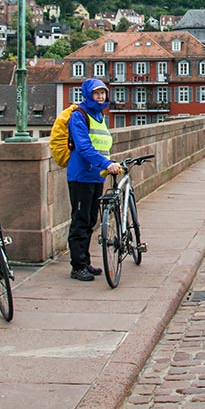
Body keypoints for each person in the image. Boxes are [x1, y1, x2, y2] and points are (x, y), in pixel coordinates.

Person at [60, 78, 123, 281]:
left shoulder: (99, 116)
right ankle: (77, 266)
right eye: (96, 93)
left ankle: (85, 262)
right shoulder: (79, 116)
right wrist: (106, 164)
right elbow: (84, 146)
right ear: (88, 94)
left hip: (96, 176)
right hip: (80, 176)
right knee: (80, 220)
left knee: (90, 220)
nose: (100, 97)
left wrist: (108, 163)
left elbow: (101, 145)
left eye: (103, 93)